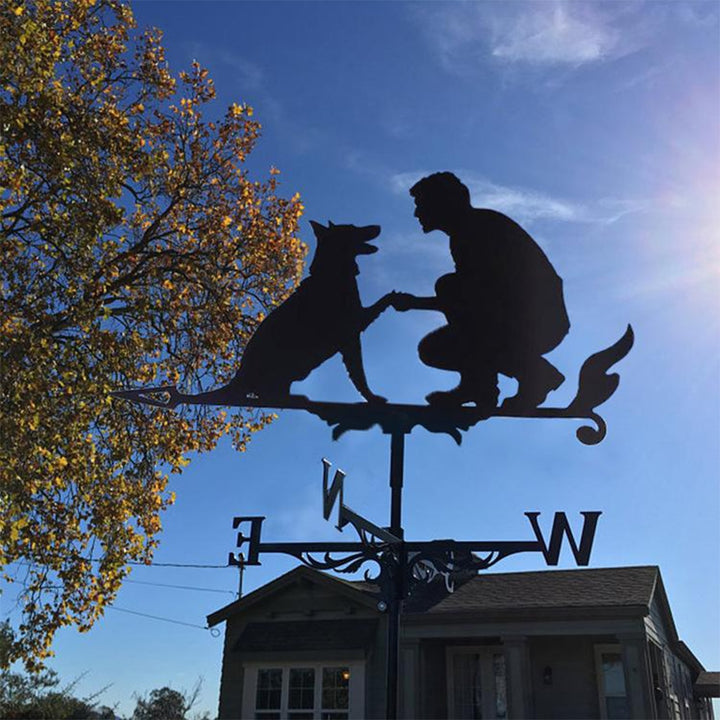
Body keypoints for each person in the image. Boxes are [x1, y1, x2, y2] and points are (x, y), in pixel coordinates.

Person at [392, 172, 570, 411]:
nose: (417, 213)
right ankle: (506, 379)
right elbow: (472, 299)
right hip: (514, 319)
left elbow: (473, 298)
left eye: (421, 205)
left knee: (449, 290)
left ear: (443, 202)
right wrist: (416, 303)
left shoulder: (478, 229)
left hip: (533, 322)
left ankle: (514, 378)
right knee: (436, 345)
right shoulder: (466, 232)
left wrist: (418, 303)